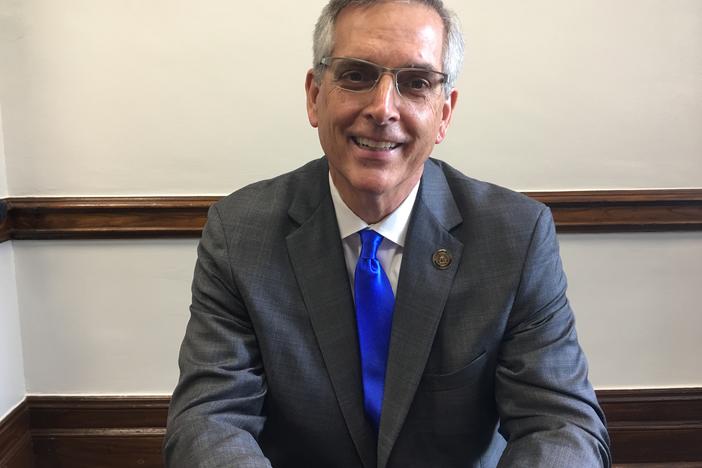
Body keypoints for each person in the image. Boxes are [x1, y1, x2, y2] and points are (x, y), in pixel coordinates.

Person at [164, 0, 612, 467]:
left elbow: (562, 424)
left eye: (416, 83)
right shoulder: (240, 233)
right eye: (357, 75)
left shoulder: (515, 237)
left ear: (444, 113)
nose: (383, 108)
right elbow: (210, 420)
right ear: (315, 95)